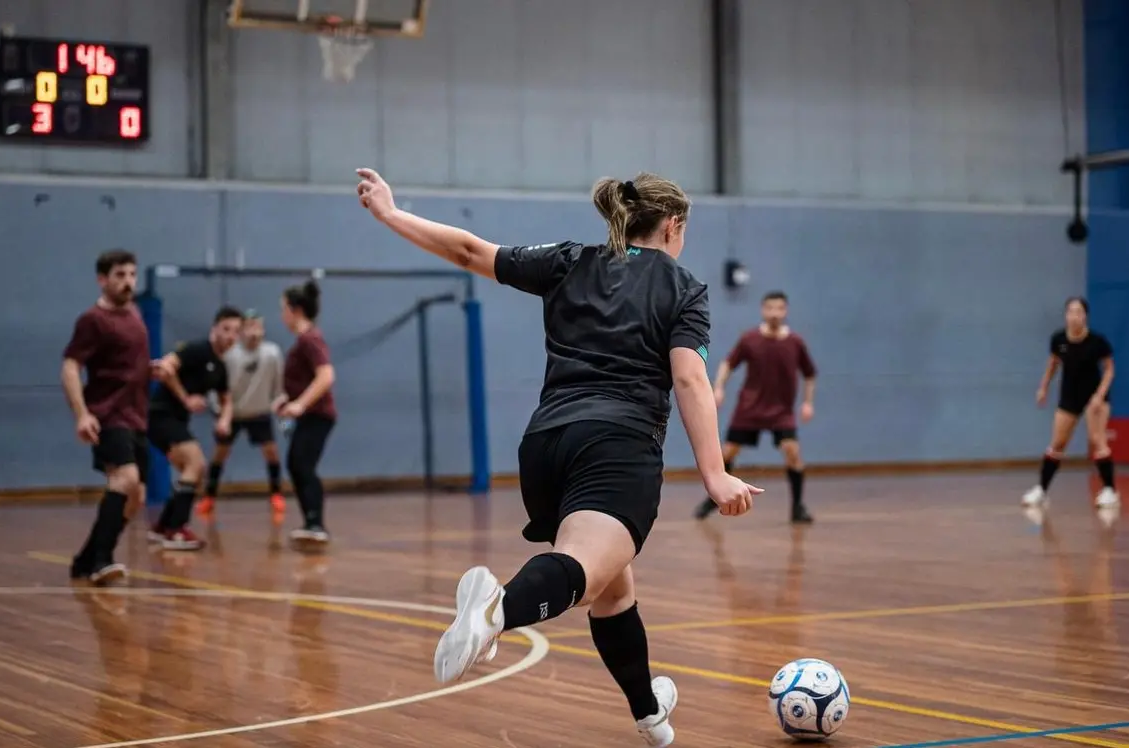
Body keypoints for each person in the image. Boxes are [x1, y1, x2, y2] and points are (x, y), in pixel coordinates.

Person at [356, 167, 761, 747]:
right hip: (617, 447)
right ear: (674, 224)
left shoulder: (570, 260)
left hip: (546, 447)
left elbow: (472, 250)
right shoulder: (682, 287)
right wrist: (715, 474)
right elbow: (691, 380)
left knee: (612, 590)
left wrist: (392, 215)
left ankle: (650, 714)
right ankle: (496, 611)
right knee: (582, 569)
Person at [61, 249, 152, 585]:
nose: (128, 282)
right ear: (102, 279)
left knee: (136, 496)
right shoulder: (92, 320)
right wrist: (82, 414)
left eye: (132, 274)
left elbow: (129, 363)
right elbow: (71, 366)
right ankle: (102, 559)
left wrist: (151, 370)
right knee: (125, 480)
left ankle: (86, 559)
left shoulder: (136, 314)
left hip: (138, 415)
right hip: (108, 414)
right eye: (120, 275)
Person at [694, 291, 817, 524]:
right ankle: (713, 496)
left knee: (792, 452)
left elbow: (809, 374)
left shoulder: (795, 343)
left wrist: (808, 402)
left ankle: (798, 507)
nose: (774, 313)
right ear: (763, 310)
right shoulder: (750, 339)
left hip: (781, 411)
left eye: (779, 308)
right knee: (727, 452)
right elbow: (728, 363)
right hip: (750, 408)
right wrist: (718, 388)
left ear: (785, 311)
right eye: (770, 308)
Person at [147, 306, 243, 550]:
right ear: (215, 329)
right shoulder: (197, 349)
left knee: (194, 474)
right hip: (160, 415)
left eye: (236, 332)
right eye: (226, 329)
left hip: (177, 420)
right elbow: (169, 366)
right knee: (196, 463)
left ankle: (162, 526)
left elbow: (227, 399)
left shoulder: (220, 367)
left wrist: (224, 420)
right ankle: (176, 530)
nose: (231, 336)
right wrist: (185, 398)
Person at [1023, 297, 1119, 508]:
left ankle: (1110, 491)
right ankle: (1041, 490)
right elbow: (1053, 364)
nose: (1074, 317)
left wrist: (1099, 395)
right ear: (1066, 315)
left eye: (1079, 312)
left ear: (1085, 316)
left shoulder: (1097, 341)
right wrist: (1043, 387)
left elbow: (1110, 369)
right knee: (1057, 443)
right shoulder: (1058, 339)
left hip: (1094, 397)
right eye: (1070, 312)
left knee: (1097, 439)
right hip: (1069, 396)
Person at [200, 310, 287, 521]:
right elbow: (216, 385)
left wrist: (280, 406)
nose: (254, 332)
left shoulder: (272, 353)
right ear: (242, 331)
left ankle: (276, 493)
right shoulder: (230, 354)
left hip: (260, 412)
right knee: (220, 453)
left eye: (258, 326)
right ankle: (209, 497)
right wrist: (218, 411)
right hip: (233, 412)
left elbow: (279, 386)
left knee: (271, 452)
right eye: (250, 327)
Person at [275, 280, 337, 550]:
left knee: (302, 465)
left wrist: (300, 404)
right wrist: (287, 399)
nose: (282, 315)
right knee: (297, 464)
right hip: (311, 415)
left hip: (318, 415)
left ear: (295, 310)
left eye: (283, 309)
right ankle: (311, 523)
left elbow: (326, 375)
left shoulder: (310, 339)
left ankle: (316, 524)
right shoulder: (304, 340)